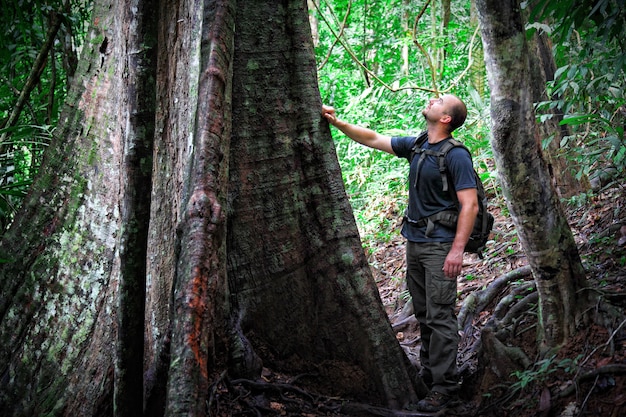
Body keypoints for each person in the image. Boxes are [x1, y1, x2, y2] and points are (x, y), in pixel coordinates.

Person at [322, 94, 478, 412]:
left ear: (446, 119)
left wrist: (457, 250)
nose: (433, 100)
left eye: (440, 101)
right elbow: (375, 138)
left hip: (441, 247)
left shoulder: (457, 155)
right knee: (423, 314)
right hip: (415, 243)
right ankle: (428, 376)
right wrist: (336, 123)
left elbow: (470, 204)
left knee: (440, 316)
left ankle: (445, 388)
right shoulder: (419, 145)